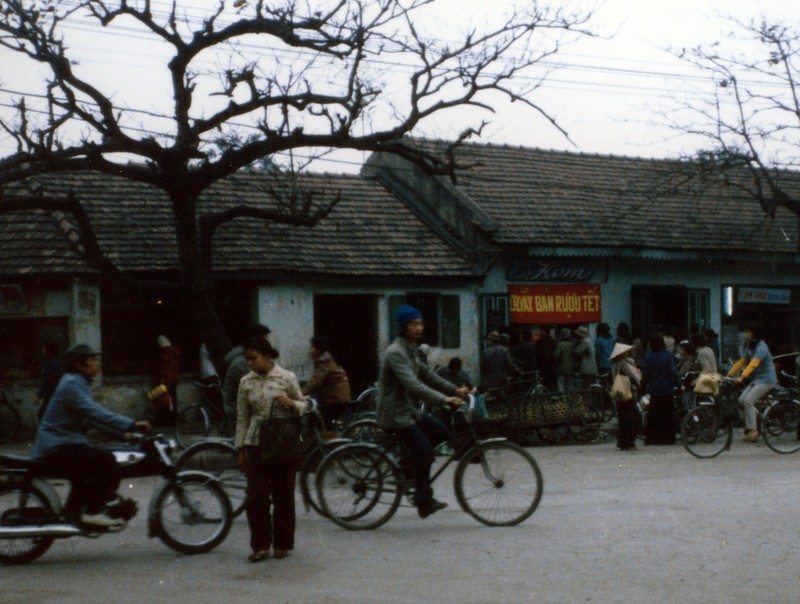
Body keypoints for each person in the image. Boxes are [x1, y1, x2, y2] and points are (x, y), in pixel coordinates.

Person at [31, 344, 151, 527]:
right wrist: (131, 423)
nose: (97, 363)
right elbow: (95, 412)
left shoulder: (78, 382)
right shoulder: (72, 384)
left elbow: (89, 419)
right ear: (80, 364)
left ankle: (74, 513)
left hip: (64, 443)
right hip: (56, 446)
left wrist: (123, 435)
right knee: (107, 460)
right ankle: (91, 512)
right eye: (93, 360)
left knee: (89, 471)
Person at [376, 305, 468, 519]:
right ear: (403, 328)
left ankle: (408, 467)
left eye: (420, 323)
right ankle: (423, 500)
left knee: (442, 432)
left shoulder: (410, 348)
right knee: (426, 452)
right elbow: (413, 385)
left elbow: (427, 375)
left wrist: (455, 389)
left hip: (408, 410)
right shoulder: (395, 353)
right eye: (413, 324)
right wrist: (444, 399)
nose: (418, 328)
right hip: (395, 414)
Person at [235, 337, 307, 563]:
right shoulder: (246, 382)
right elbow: (242, 416)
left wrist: (292, 404)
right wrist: (240, 449)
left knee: (283, 495)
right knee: (256, 497)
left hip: (283, 443)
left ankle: (283, 544)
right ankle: (261, 545)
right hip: (255, 443)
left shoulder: (286, 377)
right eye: (247, 359)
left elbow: (304, 404)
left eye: (253, 358)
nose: (250, 363)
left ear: (267, 356)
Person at [727, 324, 777, 443]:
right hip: (758, 379)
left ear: (755, 334)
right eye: (745, 332)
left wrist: (742, 377)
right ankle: (760, 419)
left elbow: (753, 364)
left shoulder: (761, 347)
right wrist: (728, 375)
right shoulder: (750, 346)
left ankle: (753, 430)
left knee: (748, 401)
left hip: (767, 380)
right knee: (741, 400)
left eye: (748, 332)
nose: (745, 334)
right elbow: (742, 362)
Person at [223, 324, 272, 430]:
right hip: (240, 412)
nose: (268, 343)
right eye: (264, 339)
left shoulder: (254, 358)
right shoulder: (241, 363)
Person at [301, 335, 352, 428]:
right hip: (340, 398)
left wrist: (300, 394)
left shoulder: (324, 362)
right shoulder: (327, 359)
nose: (310, 350)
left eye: (312, 347)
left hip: (335, 399)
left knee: (318, 421)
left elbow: (315, 381)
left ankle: (327, 440)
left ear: (319, 349)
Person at [642, 333, 680, 445]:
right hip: (667, 388)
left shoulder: (648, 356)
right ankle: (668, 439)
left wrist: (642, 385)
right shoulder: (668, 356)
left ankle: (653, 438)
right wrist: (679, 385)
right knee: (668, 414)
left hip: (654, 388)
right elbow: (673, 372)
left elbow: (646, 373)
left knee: (654, 414)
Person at [611, 343, 642, 451]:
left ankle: (623, 442)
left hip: (618, 393)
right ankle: (629, 442)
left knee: (623, 419)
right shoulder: (624, 363)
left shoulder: (614, 364)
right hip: (627, 393)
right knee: (634, 417)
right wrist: (639, 385)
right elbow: (633, 376)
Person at [35, 339, 64, 421]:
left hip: (52, 395)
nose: (42, 351)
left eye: (44, 348)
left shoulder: (52, 364)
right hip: (53, 395)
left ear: (49, 351)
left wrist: (39, 395)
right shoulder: (52, 363)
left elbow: (47, 381)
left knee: (42, 415)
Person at [154, 335, 181, 425]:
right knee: (172, 399)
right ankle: (174, 418)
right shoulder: (174, 352)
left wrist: (162, 378)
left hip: (166, 380)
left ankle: (167, 420)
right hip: (174, 379)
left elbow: (164, 368)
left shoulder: (165, 353)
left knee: (164, 400)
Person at [553, 327, 575, 392]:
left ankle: (563, 399)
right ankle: (570, 398)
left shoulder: (560, 345)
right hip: (571, 368)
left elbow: (556, 356)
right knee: (569, 385)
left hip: (561, 368)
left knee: (561, 385)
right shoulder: (572, 344)